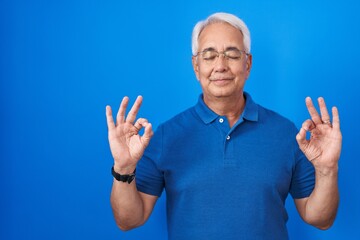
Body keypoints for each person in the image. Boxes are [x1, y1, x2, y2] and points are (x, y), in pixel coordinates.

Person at [105, 12, 342, 240]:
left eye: (232, 54)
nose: (220, 65)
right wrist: (124, 168)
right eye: (209, 55)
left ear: (247, 64)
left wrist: (327, 170)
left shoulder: (287, 133)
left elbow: (320, 219)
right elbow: (128, 221)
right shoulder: (166, 136)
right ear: (196, 66)